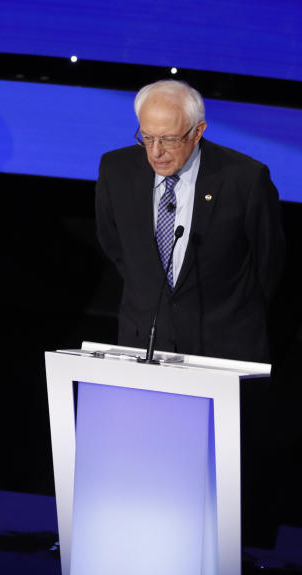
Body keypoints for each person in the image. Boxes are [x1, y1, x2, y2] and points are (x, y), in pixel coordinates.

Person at [96, 79, 284, 363]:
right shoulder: (116, 170)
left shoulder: (245, 179)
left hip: (224, 350)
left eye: (169, 139)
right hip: (143, 345)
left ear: (198, 132)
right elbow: (116, 246)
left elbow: (268, 263)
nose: (156, 152)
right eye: (147, 137)